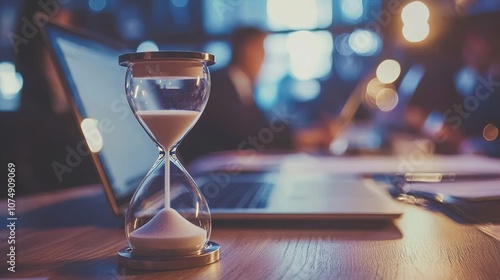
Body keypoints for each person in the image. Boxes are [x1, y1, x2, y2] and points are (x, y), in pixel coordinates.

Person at [181, 27, 336, 163]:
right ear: (247, 50)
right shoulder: (218, 85)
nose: (264, 59)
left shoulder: (241, 87)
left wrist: (307, 130)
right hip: (211, 170)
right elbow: (247, 137)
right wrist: (303, 138)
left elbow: (263, 126)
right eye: (262, 51)